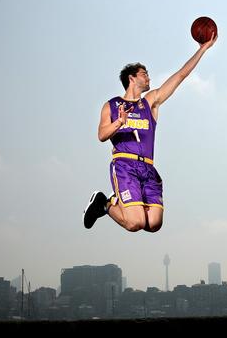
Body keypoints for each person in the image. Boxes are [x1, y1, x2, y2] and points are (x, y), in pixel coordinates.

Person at [83, 33, 217, 232]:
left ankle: (107, 203)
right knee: (135, 223)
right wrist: (119, 122)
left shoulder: (150, 101)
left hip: (148, 168)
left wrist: (202, 49)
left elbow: (181, 75)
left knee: (154, 224)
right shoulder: (111, 105)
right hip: (125, 165)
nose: (149, 77)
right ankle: (104, 203)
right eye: (144, 74)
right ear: (132, 78)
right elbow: (102, 135)